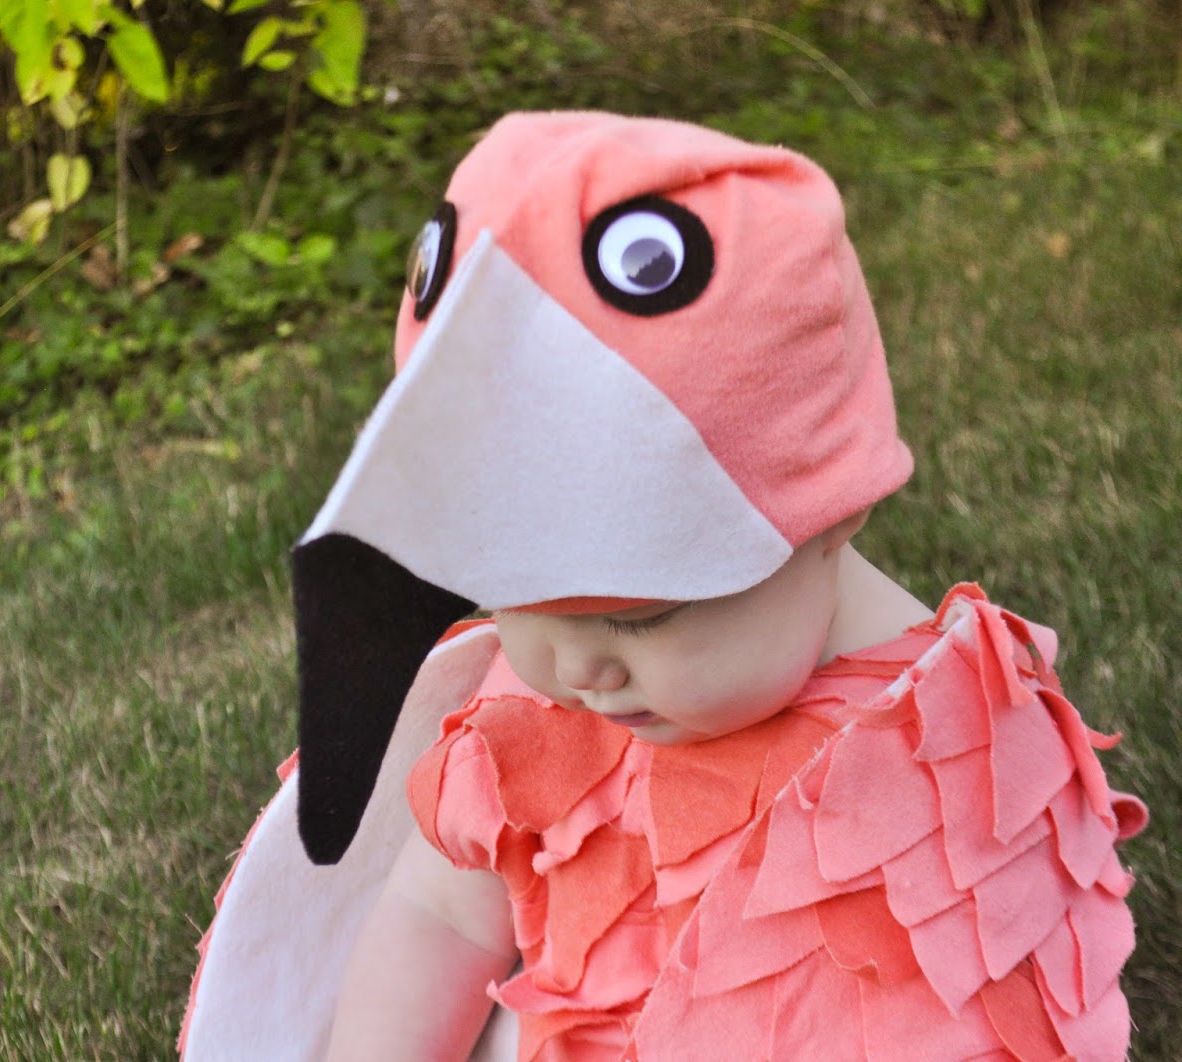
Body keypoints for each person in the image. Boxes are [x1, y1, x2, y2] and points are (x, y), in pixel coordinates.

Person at [179, 112, 1147, 1061]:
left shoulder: (939, 775)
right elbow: (440, 912)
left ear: (835, 515)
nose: (574, 666)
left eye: (641, 619)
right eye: (514, 601)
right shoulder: (549, 702)